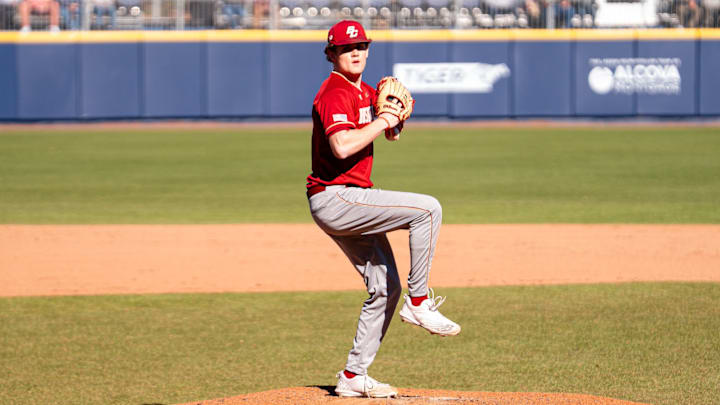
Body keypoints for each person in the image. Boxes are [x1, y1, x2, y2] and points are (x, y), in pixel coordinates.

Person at [306, 20, 461, 399]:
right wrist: (383, 120)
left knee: (385, 288)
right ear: (331, 54)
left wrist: (396, 122)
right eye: (346, 48)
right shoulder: (334, 92)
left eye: (361, 46)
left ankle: (353, 375)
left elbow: (390, 130)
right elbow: (342, 146)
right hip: (335, 197)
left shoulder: (365, 91)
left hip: (349, 198)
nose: (355, 52)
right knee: (427, 210)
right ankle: (419, 301)